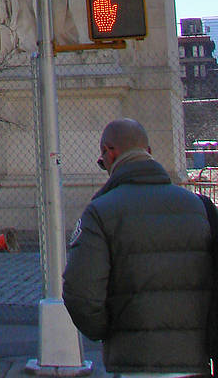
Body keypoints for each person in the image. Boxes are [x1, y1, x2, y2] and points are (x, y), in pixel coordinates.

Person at [62, 118, 213, 375]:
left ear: (109, 152)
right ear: (149, 153)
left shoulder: (100, 212)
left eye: (102, 163)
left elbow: (80, 293)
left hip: (133, 361)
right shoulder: (200, 208)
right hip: (194, 360)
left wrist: (107, 330)